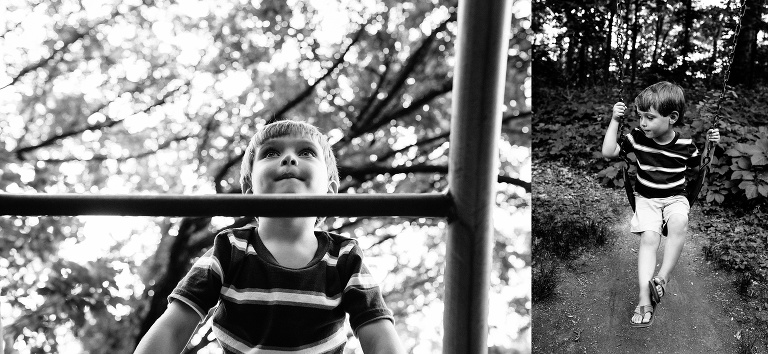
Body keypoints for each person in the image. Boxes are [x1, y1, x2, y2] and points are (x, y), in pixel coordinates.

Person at [134, 120, 405, 353]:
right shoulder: (229, 249)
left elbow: (379, 336)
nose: (289, 158)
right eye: (271, 152)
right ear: (250, 192)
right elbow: (172, 329)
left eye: (307, 152)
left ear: (330, 193)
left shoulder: (344, 258)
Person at [601, 81, 720, 328]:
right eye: (640, 116)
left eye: (650, 117)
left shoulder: (686, 146)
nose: (643, 123)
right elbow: (608, 152)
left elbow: (702, 167)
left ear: (672, 117)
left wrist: (711, 146)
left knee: (680, 220)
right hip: (646, 199)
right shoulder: (636, 137)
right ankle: (645, 299)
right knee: (649, 238)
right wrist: (615, 119)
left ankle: (662, 279)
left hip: (675, 197)